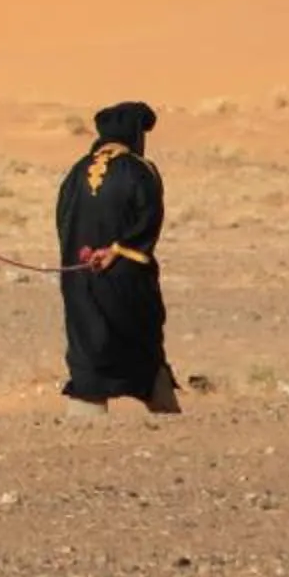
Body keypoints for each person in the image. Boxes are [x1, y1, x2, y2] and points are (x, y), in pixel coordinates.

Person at [55, 101, 179, 415]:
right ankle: (163, 410)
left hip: (80, 276)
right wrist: (118, 251)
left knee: (88, 342)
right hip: (127, 277)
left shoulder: (76, 171)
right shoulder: (140, 169)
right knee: (142, 342)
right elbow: (149, 217)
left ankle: (86, 415)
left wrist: (80, 256)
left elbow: (63, 220)